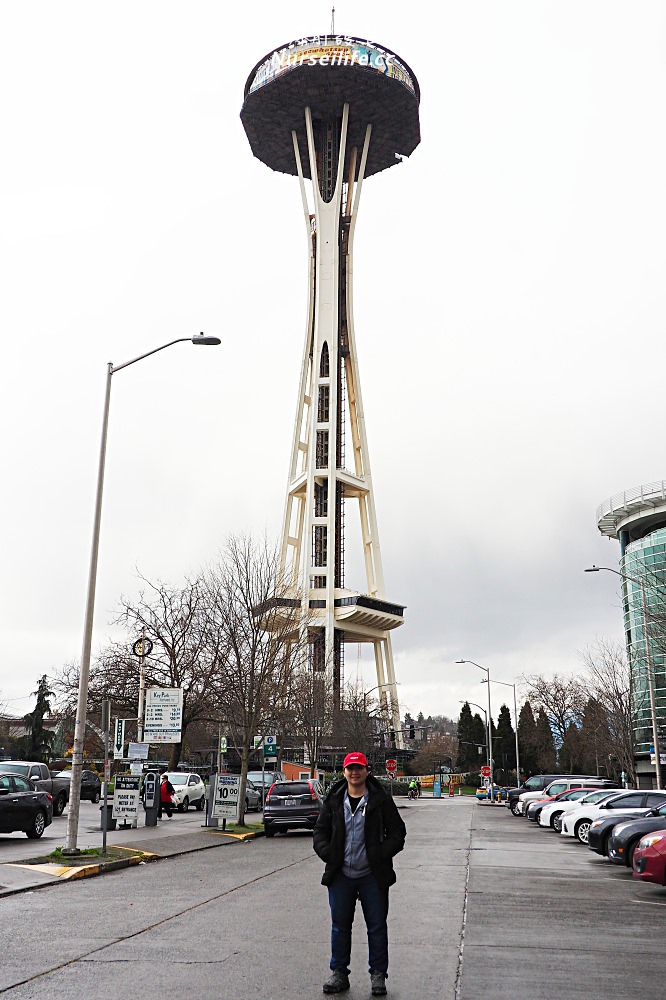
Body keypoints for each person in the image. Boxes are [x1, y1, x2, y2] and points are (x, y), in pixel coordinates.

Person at [313, 751, 406, 997]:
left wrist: (380, 855)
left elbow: (398, 833)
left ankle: (378, 975)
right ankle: (339, 973)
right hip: (341, 874)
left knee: (376, 926)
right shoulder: (334, 799)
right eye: (350, 768)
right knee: (340, 926)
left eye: (359, 768)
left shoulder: (380, 799)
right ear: (344, 772)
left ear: (367, 771)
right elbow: (319, 833)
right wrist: (330, 855)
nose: (355, 773)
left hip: (372, 875)